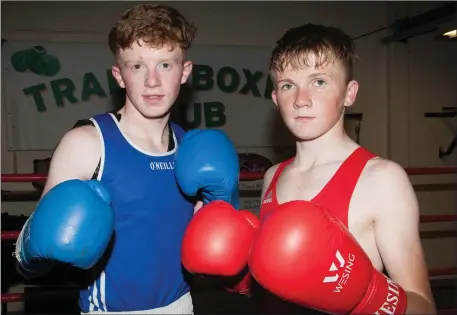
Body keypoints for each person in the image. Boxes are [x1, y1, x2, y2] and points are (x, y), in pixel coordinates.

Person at [15, 4, 205, 314]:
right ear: (119, 75)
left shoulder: (191, 148)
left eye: (166, 65)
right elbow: (31, 250)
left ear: (185, 72)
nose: (152, 81)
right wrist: (31, 248)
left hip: (183, 304)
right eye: (137, 66)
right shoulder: (87, 144)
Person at [249, 23, 437, 315]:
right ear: (276, 99)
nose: (301, 99)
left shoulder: (382, 179)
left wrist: (366, 297)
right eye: (288, 85)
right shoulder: (272, 177)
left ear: (349, 94)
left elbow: (424, 307)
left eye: (319, 81)